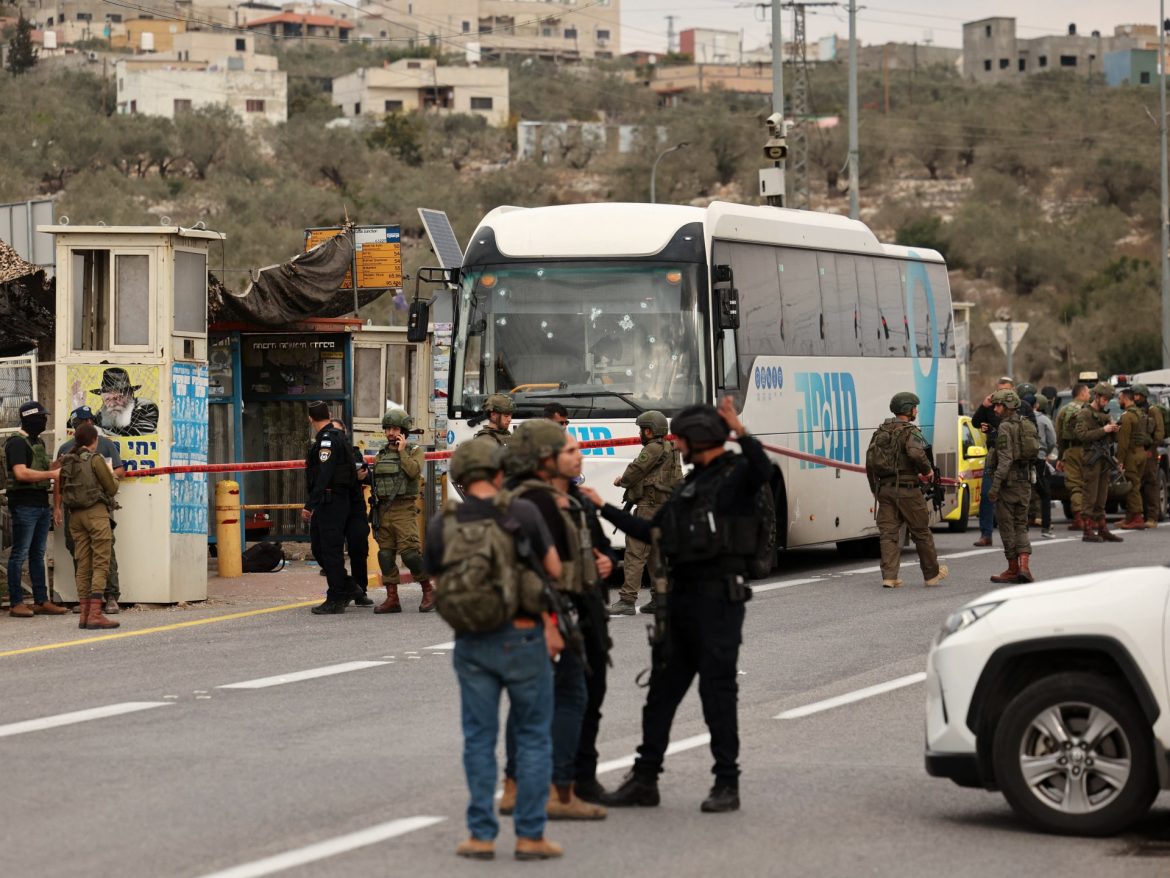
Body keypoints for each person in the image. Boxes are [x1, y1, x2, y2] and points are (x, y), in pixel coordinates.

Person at [583, 397, 770, 814]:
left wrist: (739, 429)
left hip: (718, 600)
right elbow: (652, 530)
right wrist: (601, 506)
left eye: (682, 439)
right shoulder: (691, 484)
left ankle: (727, 782)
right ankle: (644, 780)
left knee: (716, 694)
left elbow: (761, 468)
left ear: (697, 439)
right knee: (661, 695)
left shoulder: (735, 476)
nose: (677, 446)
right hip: (679, 600)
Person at [423, 441, 565, 861]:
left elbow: (433, 572)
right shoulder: (521, 512)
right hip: (522, 635)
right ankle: (530, 836)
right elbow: (554, 569)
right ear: (499, 474)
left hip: (471, 642)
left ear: (460, 479)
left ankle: (481, 835)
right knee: (533, 738)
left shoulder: (442, 522)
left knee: (479, 739)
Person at [498, 420, 612, 821]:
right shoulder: (540, 503)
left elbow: (588, 551)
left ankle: (514, 787)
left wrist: (603, 561)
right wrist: (550, 620)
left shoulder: (542, 497)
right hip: (550, 613)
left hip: (550, 612)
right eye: (568, 451)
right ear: (544, 459)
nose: (578, 455)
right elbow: (533, 568)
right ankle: (558, 792)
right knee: (571, 697)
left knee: (528, 703)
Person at [864, 392, 948, 589]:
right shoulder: (911, 432)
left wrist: (875, 489)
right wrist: (927, 471)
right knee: (921, 532)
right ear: (909, 409)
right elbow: (915, 452)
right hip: (908, 490)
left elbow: (869, 463)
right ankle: (932, 574)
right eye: (915, 408)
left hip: (884, 490)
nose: (916, 411)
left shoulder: (881, 432)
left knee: (888, 534)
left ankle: (889, 577)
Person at [608, 410, 683, 615]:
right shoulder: (671, 447)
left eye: (643, 430)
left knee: (635, 552)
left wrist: (621, 481)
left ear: (650, 431)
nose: (641, 433)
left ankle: (627, 600)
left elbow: (636, 470)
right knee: (655, 554)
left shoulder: (653, 448)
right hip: (663, 507)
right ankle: (660, 597)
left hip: (648, 507)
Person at [56, 405, 125, 615]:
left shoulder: (104, 446)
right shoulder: (71, 449)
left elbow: (119, 469)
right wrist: (57, 507)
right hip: (87, 510)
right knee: (91, 553)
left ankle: (105, 597)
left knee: (95, 553)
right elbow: (60, 481)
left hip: (82, 511)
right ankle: (92, 602)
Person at [302, 401, 367, 614]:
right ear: (329, 415)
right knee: (322, 548)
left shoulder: (328, 441)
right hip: (340, 501)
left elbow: (324, 474)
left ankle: (337, 595)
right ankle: (347, 586)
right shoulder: (339, 437)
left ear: (310, 419)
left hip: (330, 501)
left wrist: (310, 504)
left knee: (329, 550)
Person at [5, 401, 66, 617]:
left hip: (40, 504)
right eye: (41, 417)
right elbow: (21, 473)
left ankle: (41, 601)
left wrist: (56, 466)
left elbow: (39, 470)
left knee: (38, 554)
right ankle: (16, 603)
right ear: (29, 418)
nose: (44, 421)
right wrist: (51, 475)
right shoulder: (16, 443)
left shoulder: (36, 441)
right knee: (19, 554)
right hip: (23, 505)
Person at [370, 408, 434, 614]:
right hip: (384, 510)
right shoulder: (381, 454)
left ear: (404, 431)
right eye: (387, 428)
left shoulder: (414, 450)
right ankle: (392, 599)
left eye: (395, 428)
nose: (390, 433)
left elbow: (414, 471)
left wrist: (402, 451)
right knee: (385, 555)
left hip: (404, 509)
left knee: (410, 555)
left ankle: (428, 591)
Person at [987, 390, 1038, 584]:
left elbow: (1005, 459)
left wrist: (995, 487)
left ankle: (1013, 568)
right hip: (1024, 483)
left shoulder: (1005, 428)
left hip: (1008, 485)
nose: (996, 409)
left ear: (1007, 407)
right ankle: (1025, 566)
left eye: (998, 405)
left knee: (1007, 527)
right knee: (1021, 525)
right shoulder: (1026, 424)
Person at [326, 418, 373, 606]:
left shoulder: (354, 453)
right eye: (332, 432)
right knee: (332, 552)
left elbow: (368, 476)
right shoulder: (325, 454)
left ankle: (360, 590)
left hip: (354, 508)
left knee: (359, 548)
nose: (336, 436)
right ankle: (343, 588)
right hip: (335, 508)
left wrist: (362, 476)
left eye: (339, 432)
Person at [1074, 383, 1123, 543]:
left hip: (1104, 459)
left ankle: (1102, 528)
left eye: (1109, 399)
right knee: (1090, 495)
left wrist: (1114, 431)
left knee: (1102, 495)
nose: (1106, 401)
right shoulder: (1085, 414)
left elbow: (1111, 439)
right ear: (1097, 396)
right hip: (1091, 459)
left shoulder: (1105, 415)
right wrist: (1104, 430)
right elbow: (1081, 435)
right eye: (1104, 398)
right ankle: (1087, 529)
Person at [970, 376, 1015, 546]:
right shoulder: (993, 407)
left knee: (1013, 496)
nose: (1002, 393)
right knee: (987, 494)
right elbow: (975, 422)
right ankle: (986, 534)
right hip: (993, 456)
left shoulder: (1020, 408)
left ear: (1013, 391)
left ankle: (1014, 535)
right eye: (999, 390)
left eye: (1006, 390)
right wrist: (984, 405)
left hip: (1012, 458)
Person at [1116, 388, 1156, 531]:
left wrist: (1119, 460)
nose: (1118, 401)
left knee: (1132, 486)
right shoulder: (1140, 413)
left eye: (1119, 398)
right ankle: (1130, 517)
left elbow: (1123, 441)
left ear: (1126, 399)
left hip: (1131, 455)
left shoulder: (1127, 416)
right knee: (1136, 485)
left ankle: (1137, 518)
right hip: (1141, 453)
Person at [1056, 382, 1091, 530]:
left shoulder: (1064, 410)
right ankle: (1089, 518)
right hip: (1089, 452)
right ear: (1082, 394)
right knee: (1089, 485)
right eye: (1088, 392)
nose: (1089, 395)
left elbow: (1060, 437)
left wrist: (1061, 456)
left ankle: (1078, 518)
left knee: (1075, 486)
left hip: (1071, 451)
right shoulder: (1090, 410)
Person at [1130, 384, 1165, 528]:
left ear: (1144, 396)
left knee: (1151, 484)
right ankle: (1137, 515)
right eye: (1134, 395)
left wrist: (1151, 448)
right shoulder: (1134, 411)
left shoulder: (1153, 410)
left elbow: (1159, 432)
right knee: (1136, 483)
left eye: (1138, 395)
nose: (1136, 397)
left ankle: (1152, 517)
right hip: (1137, 452)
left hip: (1149, 452)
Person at [91, 367, 159, 437]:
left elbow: (140, 435)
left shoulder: (146, 407)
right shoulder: (101, 415)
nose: (112, 404)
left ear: (129, 395)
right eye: (107, 399)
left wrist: (99, 431)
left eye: (118, 398)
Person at [1026, 394, 1056, 539]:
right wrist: (1045, 453)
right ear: (1036, 405)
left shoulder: (1017, 420)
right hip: (1039, 460)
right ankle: (1046, 528)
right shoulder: (1044, 420)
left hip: (1022, 461)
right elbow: (1052, 441)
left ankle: (1022, 529)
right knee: (1045, 494)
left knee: (1022, 494)